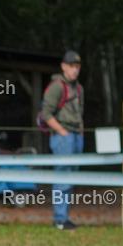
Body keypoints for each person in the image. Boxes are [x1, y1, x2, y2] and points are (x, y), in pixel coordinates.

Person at [40, 50, 84, 231]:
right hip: (63, 136)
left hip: (76, 135)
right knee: (62, 176)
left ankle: (64, 216)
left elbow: (80, 112)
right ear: (63, 66)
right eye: (72, 67)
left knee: (71, 177)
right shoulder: (57, 86)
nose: (75, 70)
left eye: (77, 67)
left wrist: (80, 131)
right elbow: (46, 113)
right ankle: (59, 217)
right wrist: (61, 131)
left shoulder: (79, 88)